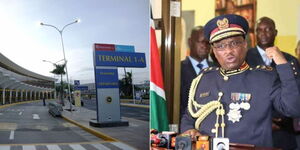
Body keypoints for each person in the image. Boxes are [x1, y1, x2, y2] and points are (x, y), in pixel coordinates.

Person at [180, 14, 300, 147]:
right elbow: (189, 115)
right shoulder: (204, 79)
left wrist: (283, 65)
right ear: (213, 51)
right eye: (220, 46)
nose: (228, 51)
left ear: (245, 44)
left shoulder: (264, 78)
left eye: (234, 43)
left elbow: (293, 108)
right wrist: (189, 130)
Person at [246, 17, 300, 150]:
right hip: (254, 130)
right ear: (255, 33)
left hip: (283, 131)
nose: (263, 34)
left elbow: (294, 93)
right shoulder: (244, 59)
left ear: (275, 33)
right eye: (259, 30)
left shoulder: (289, 60)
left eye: (268, 29)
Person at [180, 26, 215, 118]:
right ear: (190, 42)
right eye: (201, 41)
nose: (205, 46)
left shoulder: (218, 68)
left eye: (208, 43)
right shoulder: (178, 70)